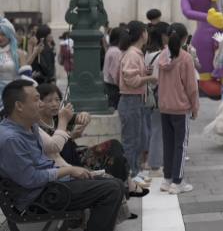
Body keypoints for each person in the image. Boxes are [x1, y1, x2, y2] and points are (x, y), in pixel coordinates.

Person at [0, 80, 125, 231]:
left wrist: (70, 171)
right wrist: (69, 170)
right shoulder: (10, 139)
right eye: (36, 99)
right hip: (39, 197)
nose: (40, 104)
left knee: (116, 184)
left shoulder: (30, 125)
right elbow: (30, 179)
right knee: (111, 190)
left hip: (50, 188)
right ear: (19, 106)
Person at [35, 83, 149, 199]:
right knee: (113, 157)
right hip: (65, 161)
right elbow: (54, 147)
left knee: (114, 146)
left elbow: (81, 117)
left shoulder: (59, 116)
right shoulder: (38, 126)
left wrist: (84, 116)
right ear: (38, 103)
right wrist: (71, 134)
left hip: (76, 153)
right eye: (49, 101)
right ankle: (127, 187)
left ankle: (125, 188)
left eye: (57, 99)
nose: (54, 104)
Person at [157, 23, 199, 194]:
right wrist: (195, 106)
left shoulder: (161, 56)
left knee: (168, 144)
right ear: (184, 39)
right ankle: (177, 181)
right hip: (181, 108)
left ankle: (167, 180)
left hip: (165, 107)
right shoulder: (185, 58)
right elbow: (192, 87)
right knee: (180, 145)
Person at [118, 21, 157, 183]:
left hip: (135, 100)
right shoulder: (133, 54)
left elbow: (132, 76)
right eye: (146, 32)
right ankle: (130, 175)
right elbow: (131, 79)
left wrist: (144, 72)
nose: (147, 35)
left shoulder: (135, 53)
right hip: (130, 100)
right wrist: (149, 77)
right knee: (131, 140)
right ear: (142, 33)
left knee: (137, 138)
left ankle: (135, 170)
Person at [142, 22, 169, 178]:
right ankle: (155, 165)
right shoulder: (161, 55)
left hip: (150, 94)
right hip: (159, 94)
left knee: (153, 129)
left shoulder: (147, 53)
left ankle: (152, 160)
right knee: (158, 130)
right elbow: (159, 78)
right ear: (163, 36)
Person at [103, 27, 122, 109]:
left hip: (109, 85)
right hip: (113, 87)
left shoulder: (111, 49)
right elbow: (115, 73)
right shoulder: (116, 51)